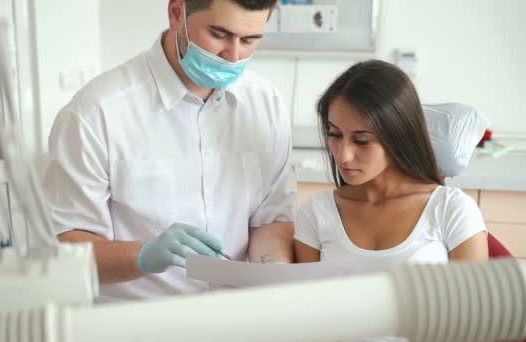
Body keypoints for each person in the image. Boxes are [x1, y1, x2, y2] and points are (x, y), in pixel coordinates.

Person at [43, 0, 296, 301]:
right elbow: (67, 249)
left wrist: (272, 273)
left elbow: (271, 220)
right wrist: (142, 256)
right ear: (177, 13)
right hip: (138, 322)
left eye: (250, 40)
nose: (233, 55)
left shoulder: (266, 104)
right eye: (219, 34)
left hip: (237, 316)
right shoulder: (96, 113)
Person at [294, 60, 488, 267]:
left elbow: (472, 299)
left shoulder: (452, 209)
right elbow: (306, 297)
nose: (344, 156)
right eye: (334, 134)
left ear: (399, 135)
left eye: (362, 140)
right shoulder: (316, 212)